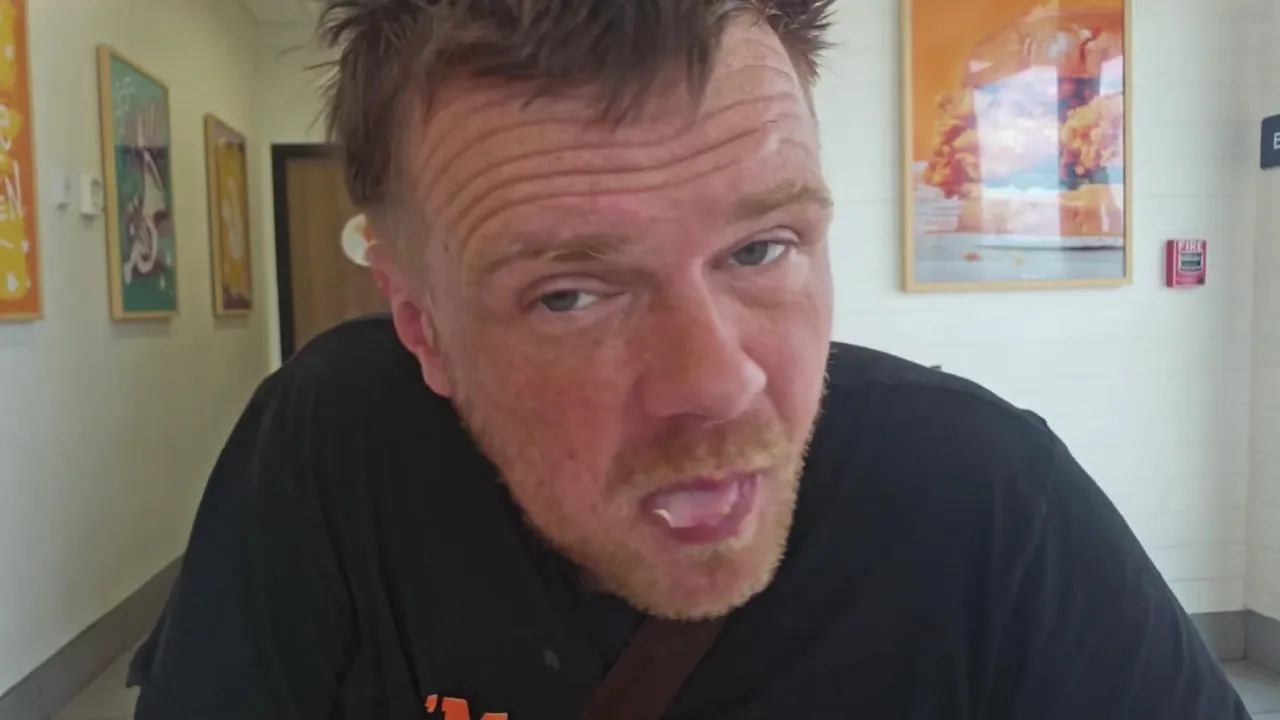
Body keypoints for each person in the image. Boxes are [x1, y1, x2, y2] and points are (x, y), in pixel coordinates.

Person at [128, 1, 1250, 718]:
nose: (717, 383)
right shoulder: (333, 454)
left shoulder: (987, 503)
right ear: (422, 328)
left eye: (761, 249)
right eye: (569, 295)